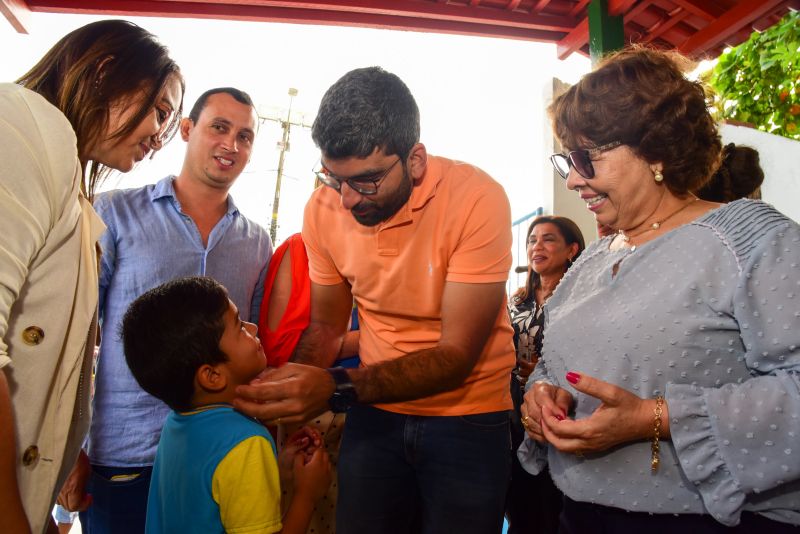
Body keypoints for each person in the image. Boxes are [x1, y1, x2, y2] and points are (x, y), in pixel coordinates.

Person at [520, 46, 800, 532]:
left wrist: (656, 417)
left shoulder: (751, 241)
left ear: (656, 151)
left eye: (587, 157)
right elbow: (554, 362)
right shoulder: (592, 258)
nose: (576, 180)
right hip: (579, 515)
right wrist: (542, 392)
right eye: (568, 159)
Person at [235, 66, 516, 534]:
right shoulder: (323, 208)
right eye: (333, 178)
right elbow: (325, 326)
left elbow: (456, 355)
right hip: (374, 412)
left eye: (365, 181)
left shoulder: (477, 199)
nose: (346, 200)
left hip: (469, 415)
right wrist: (296, 392)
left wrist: (335, 388)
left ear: (416, 159)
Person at [0, 19, 183, 533]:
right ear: (106, 73)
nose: (159, 138)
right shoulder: (25, 122)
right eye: (160, 112)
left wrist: (61, 450)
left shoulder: (78, 197)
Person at [68, 87, 272, 533]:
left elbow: (252, 348)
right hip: (126, 454)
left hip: (219, 457)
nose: (231, 145)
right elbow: (77, 336)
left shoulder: (258, 242)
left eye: (246, 136)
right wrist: (69, 449)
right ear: (186, 129)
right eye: (219, 127)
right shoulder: (115, 213)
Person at [121, 276, 331, 533]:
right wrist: (306, 495)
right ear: (212, 376)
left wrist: (277, 468)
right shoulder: (247, 442)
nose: (253, 328)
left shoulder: (176, 423)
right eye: (240, 326)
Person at [258, 232, 360, 534]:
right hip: (316, 416)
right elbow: (282, 348)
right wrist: (382, 339)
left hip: (379, 415)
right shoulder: (302, 248)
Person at [506, 215, 584, 534]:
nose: (537, 245)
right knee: (520, 500)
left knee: (553, 504)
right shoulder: (517, 302)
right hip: (514, 409)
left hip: (562, 407)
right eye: (532, 240)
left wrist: (545, 367)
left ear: (571, 250)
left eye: (548, 239)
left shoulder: (580, 299)